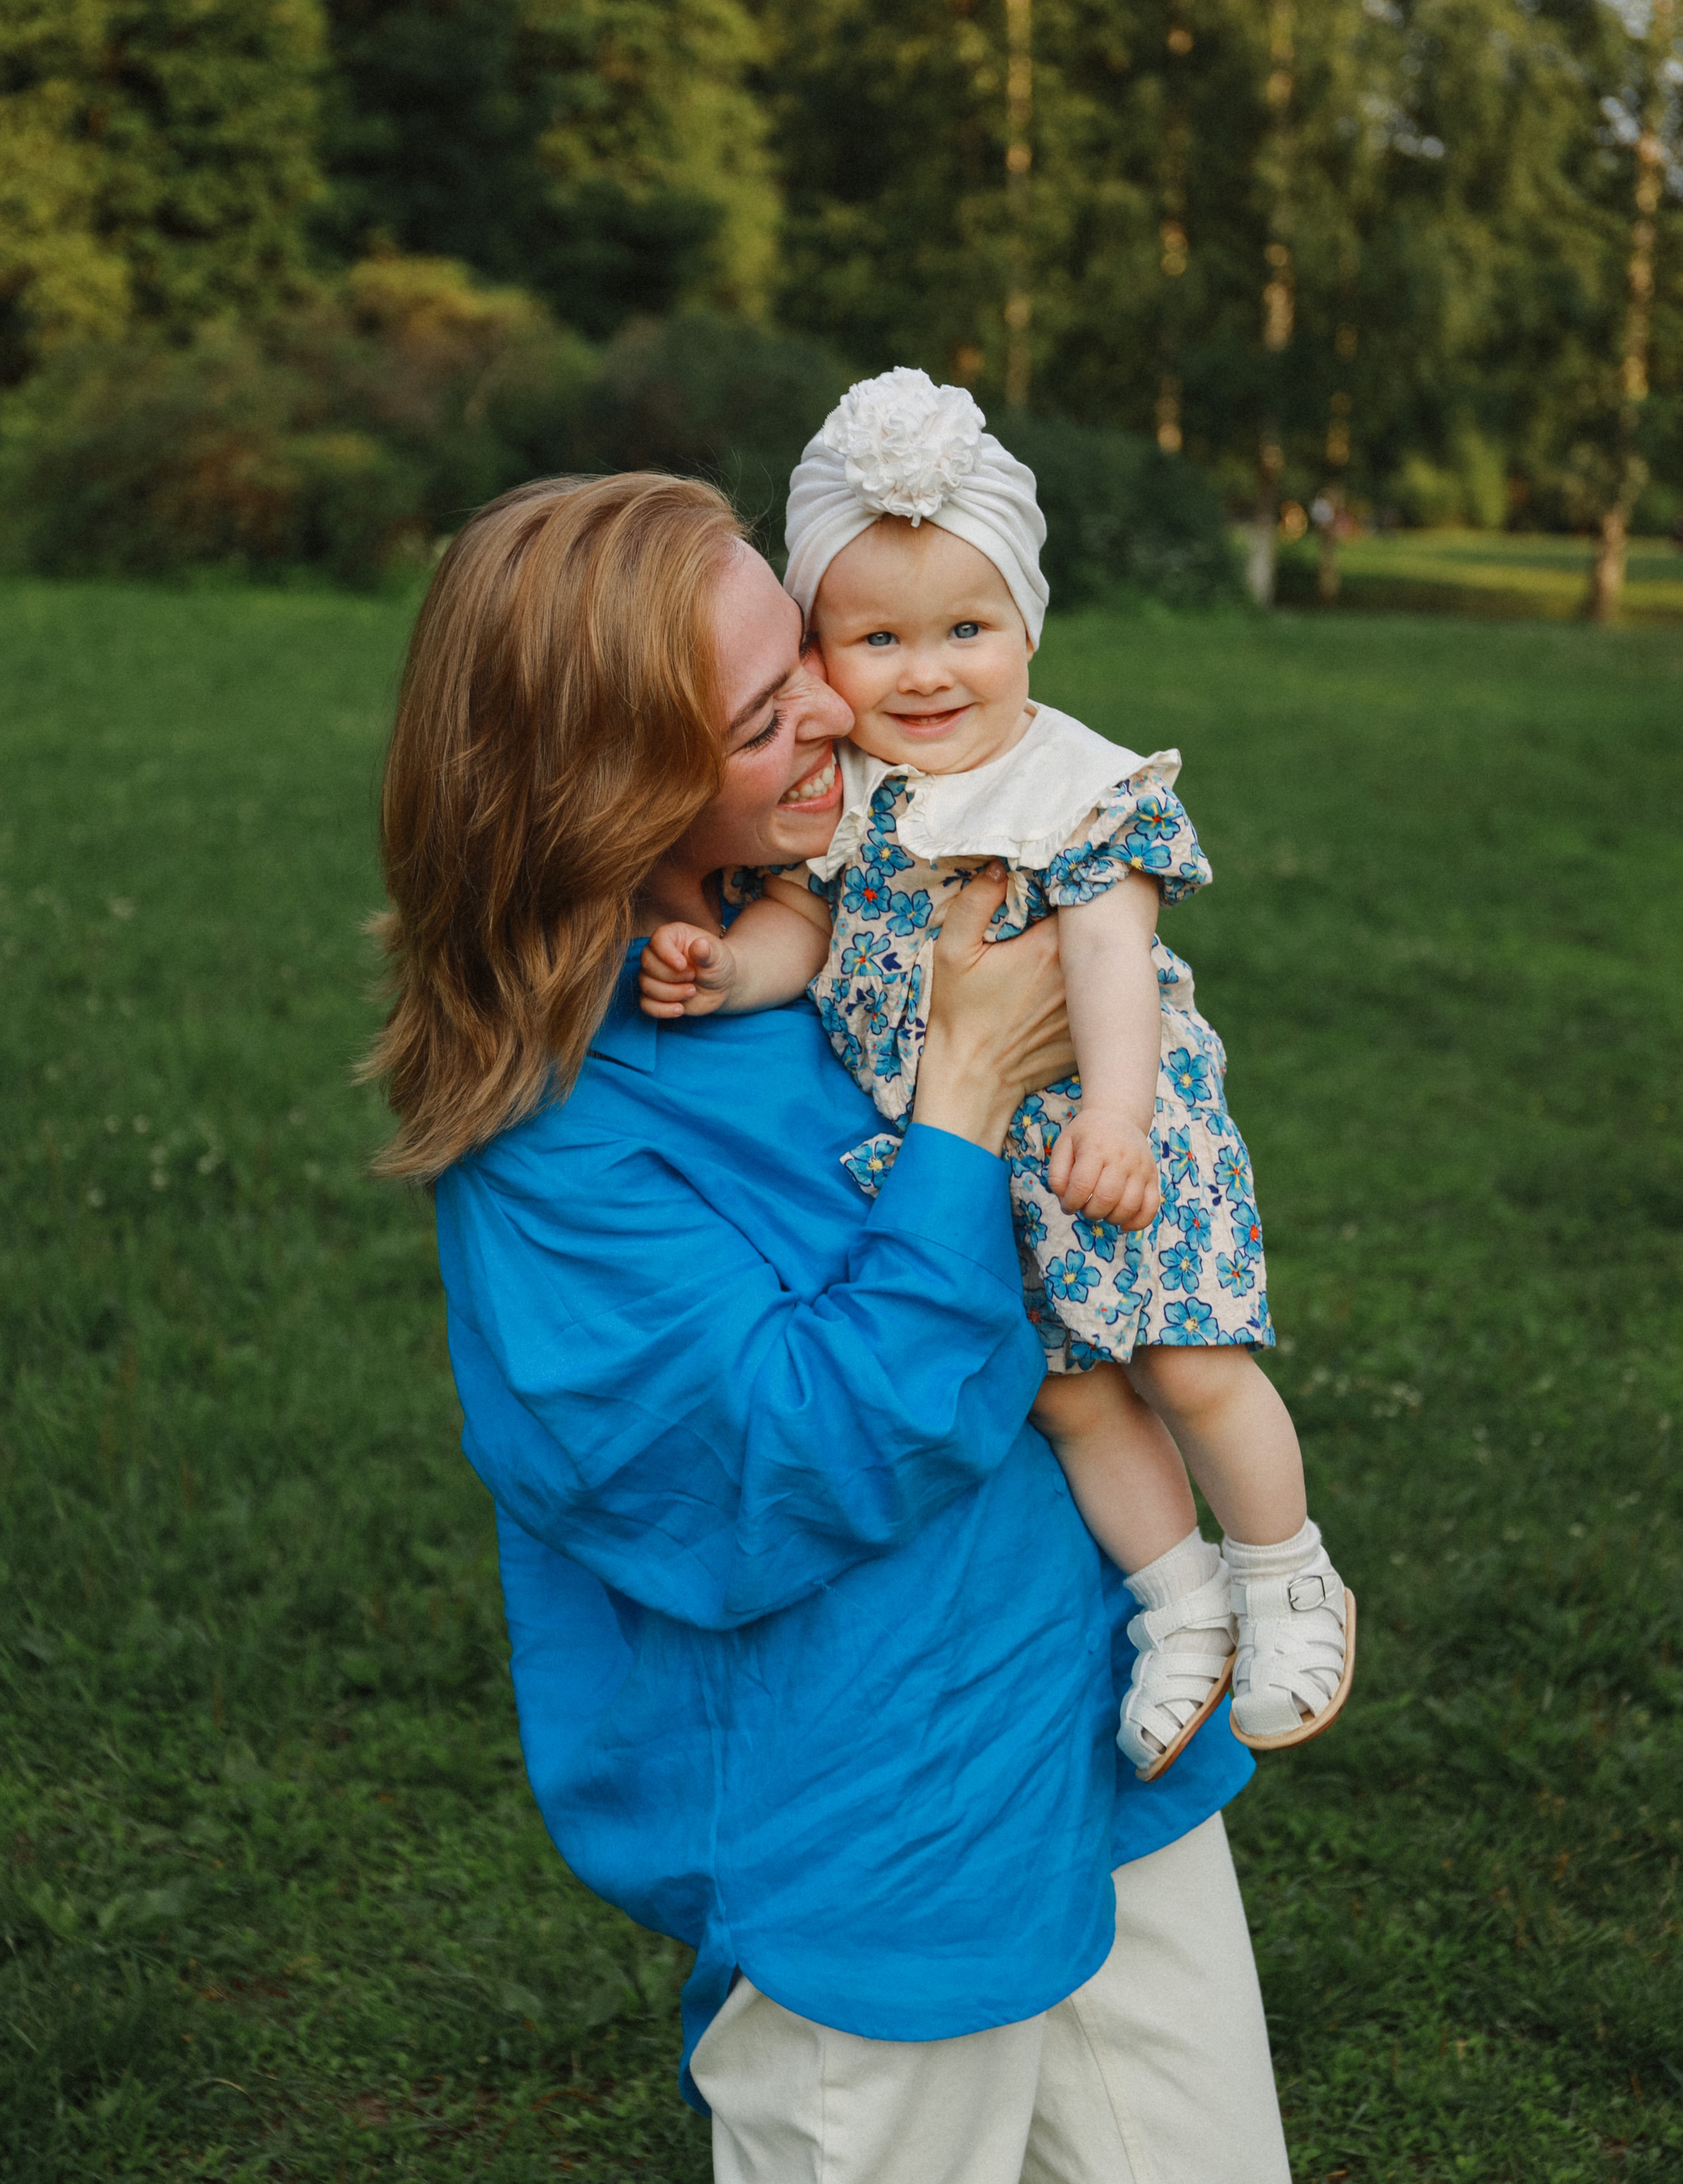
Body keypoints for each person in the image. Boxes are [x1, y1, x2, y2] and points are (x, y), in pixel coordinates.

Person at [365, 469, 1292, 2183]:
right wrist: (963, 1090)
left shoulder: (813, 915)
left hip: (1095, 1739)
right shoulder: (557, 1143)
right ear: (604, 785)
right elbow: (789, 1459)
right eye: (754, 716)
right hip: (883, 1831)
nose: (837, 709)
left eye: (801, 653)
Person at [642, 370, 1353, 1784]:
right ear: (817, 653)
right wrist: (731, 973)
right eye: (876, 639)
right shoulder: (846, 801)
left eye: (967, 631)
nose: (924, 673)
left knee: (1187, 1364)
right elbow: (802, 922)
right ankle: (1179, 1606)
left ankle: (1286, 1577)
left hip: (1105, 1124)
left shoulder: (1071, 785)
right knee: (1062, 1391)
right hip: (957, 1151)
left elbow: (1106, 952)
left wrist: (1116, 1115)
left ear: (1026, 625)